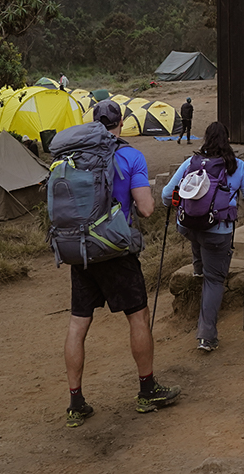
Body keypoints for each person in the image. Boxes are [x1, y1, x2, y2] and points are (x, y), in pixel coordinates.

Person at [63, 100, 180, 428]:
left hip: (80, 250)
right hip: (115, 251)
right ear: (122, 122)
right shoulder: (130, 156)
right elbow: (145, 209)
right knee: (138, 317)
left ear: (93, 122)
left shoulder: (72, 157)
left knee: (77, 324)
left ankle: (75, 402)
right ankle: (147, 391)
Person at [161, 121, 244, 352]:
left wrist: (171, 205)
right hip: (219, 232)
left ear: (205, 138)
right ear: (227, 140)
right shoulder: (238, 167)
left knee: (197, 234)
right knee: (214, 280)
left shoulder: (191, 163)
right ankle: (206, 336)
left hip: (187, 226)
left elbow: (167, 194)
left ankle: (198, 266)